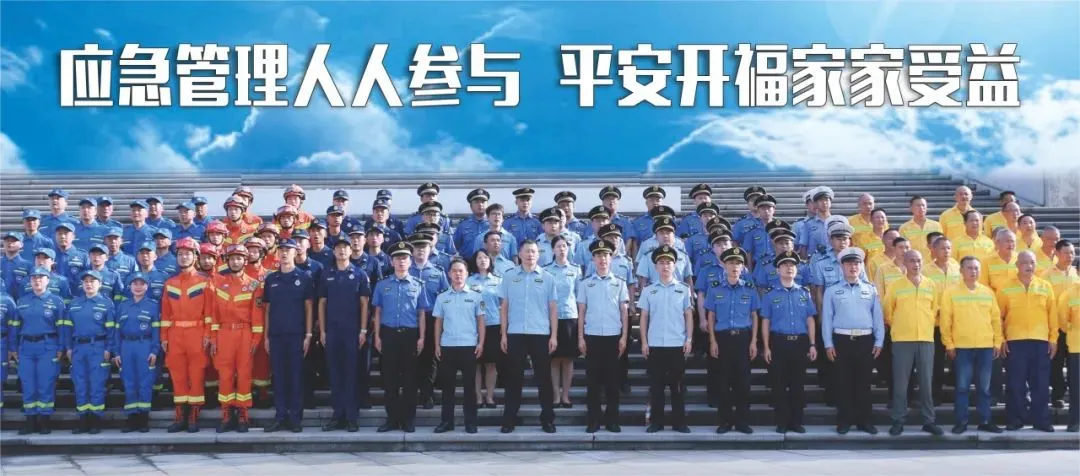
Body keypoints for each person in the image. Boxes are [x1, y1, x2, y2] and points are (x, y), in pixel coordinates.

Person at [822, 247, 884, 435]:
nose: (853, 267)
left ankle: (865, 421)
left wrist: (879, 341)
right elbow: (827, 319)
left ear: (861, 266)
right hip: (842, 340)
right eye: (848, 263)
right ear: (842, 266)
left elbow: (877, 317)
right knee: (843, 383)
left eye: (856, 263)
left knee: (864, 384)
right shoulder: (832, 290)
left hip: (865, 340)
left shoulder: (870, 289)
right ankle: (844, 421)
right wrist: (828, 343)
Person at [499, 239, 559, 434]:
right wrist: (503, 334)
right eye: (526, 251)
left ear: (538, 254)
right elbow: (504, 307)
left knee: (544, 378)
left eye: (533, 251)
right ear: (520, 253)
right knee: (513, 378)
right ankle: (509, 418)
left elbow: (553, 309)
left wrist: (554, 336)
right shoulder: (509, 276)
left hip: (540, 333)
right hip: (515, 333)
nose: (530, 255)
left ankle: (547, 419)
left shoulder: (548, 278)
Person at [939, 256, 1004, 434]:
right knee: (962, 387)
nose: (973, 271)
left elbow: (995, 319)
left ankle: (985, 420)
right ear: (961, 271)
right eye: (969, 268)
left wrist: (997, 342)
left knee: (984, 388)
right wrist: (949, 344)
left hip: (985, 347)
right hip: (962, 347)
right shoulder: (951, 293)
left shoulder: (987, 292)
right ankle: (961, 422)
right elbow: (945, 321)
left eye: (976, 268)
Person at [883, 250, 944, 436]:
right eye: (911, 261)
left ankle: (929, 420)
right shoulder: (895, 285)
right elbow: (888, 311)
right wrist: (900, 325)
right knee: (901, 383)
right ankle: (898, 419)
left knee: (926, 382)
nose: (915, 264)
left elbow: (935, 309)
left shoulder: (931, 285)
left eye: (918, 260)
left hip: (925, 339)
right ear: (904, 262)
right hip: (902, 340)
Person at [997, 251, 1057, 432]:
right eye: (1024, 263)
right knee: (1015, 383)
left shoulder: (1045, 286)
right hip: (1015, 341)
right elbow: (998, 316)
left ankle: (1041, 420)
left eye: (1032, 262)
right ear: (1017, 265)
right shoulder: (1005, 287)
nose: (1029, 266)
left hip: (1040, 341)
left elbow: (1052, 315)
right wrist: (1001, 339)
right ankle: (1015, 419)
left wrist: (1053, 339)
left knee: (1041, 383)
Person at [209, 244, 265, 433]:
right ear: (227, 261)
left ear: (245, 260)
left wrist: (255, 339)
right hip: (224, 334)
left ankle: (242, 413)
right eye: (232, 258)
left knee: (244, 374)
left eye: (239, 258)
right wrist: (213, 337)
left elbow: (257, 316)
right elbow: (214, 314)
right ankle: (226, 413)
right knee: (224, 374)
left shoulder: (254, 285)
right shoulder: (219, 284)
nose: (235, 262)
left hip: (244, 334)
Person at [373, 241, 428, 433]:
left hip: (409, 336)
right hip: (388, 335)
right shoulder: (382, 285)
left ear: (410, 261)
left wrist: (422, 337)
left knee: (410, 381)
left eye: (404, 258)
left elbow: (421, 313)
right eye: (397, 258)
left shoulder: (418, 285)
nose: (401, 261)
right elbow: (378, 312)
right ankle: (392, 420)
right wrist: (377, 336)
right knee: (390, 381)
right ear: (391, 261)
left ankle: (408, 420)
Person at [639, 245, 694, 434]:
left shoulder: (683, 289)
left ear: (674, 265)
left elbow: (688, 315)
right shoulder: (648, 290)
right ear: (656, 267)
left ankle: (679, 423)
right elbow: (644, 317)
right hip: (655, 345)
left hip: (677, 344)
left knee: (677, 387)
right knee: (656, 387)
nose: (665, 266)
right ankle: (657, 422)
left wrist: (689, 339)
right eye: (661, 262)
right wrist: (644, 342)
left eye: (668, 262)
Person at [577, 239, 630, 433]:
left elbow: (624, 312)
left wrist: (624, 337)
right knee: (593, 383)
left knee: (612, 382)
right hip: (592, 337)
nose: (602, 259)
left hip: (613, 337)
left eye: (606, 255)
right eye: (598, 255)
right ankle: (594, 420)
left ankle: (612, 420)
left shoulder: (619, 283)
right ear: (593, 259)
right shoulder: (585, 284)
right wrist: (580, 338)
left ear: (611, 258)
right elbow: (582, 312)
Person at [760, 251, 817, 434]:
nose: (789, 268)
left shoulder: (804, 293)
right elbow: (765, 321)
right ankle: (782, 422)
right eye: (784, 265)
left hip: (800, 343)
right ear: (778, 270)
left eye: (792, 265)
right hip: (779, 342)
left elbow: (810, 320)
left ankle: (797, 421)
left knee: (797, 384)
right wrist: (766, 346)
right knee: (779, 384)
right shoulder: (770, 295)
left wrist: (812, 344)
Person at [318, 239, 371, 432]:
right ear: (333, 252)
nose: (342, 251)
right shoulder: (327, 274)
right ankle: (337, 415)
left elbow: (365, 303)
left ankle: (351, 417)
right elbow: (321, 303)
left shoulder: (359, 274)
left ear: (350, 251)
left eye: (345, 248)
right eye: (338, 248)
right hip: (332, 331)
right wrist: (322, 331)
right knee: (335, 374)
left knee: (351, 374)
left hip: (352, 332)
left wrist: (363, 330)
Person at [704, 247, 758, 434]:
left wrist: (753, 341)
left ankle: (742, 422)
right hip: (722, 339)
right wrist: (712, 341)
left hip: (743, 338)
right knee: (723, 382)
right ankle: (725, 422)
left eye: (738, 263)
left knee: (743, 383)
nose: (735, 267)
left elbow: (754, 316)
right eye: (731, 263)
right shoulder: (715, 289)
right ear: (724, 265)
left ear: (743, 267)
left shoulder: (749, 289)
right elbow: (711, 316)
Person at [161, 238, 212, 433]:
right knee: (178, 375)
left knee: (196, 375)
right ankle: (180, 415)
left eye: (188, 254)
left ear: (195, 257)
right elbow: (165, 314)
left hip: (197, 334)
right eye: (180, 254)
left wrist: (207, 334)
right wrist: (164, 337)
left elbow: (209, 312)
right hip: (175, 336)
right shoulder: (170, 283)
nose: (183, 257)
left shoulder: (205, 282)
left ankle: (193, 416)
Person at [263, 240, 315, 433]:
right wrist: (266, 336)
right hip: (276, 335)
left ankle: (295, 418)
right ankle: (280, 416)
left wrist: (308, 335)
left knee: (295, 377)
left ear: (295, 252)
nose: (284, 253)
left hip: (296, 335)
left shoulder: (304, 277)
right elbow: (267, 310)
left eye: (288, 250)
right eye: (282, 250)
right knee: (278, 377)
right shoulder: (271, 279)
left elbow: (309, 308)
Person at [11, 267, 67, 435]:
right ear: (30, 281)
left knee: (46, 383)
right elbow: (15, 327)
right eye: (34, 278)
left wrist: (61, 347)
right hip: (26, 347)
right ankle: (30, 421)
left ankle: (44, 421)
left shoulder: (57, 302)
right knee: (28, 384)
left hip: (48, 346)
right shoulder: (22, 301)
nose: (37, 280)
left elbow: (62, 328)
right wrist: (13, 348)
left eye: (41, 277)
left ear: (48, 280)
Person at [432, 258, 485, 434]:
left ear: (467, 274)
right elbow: (438, 322)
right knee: (448, 387)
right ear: (449, 274)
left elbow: (481, 321)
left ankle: (471, 422)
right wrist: (437, 344)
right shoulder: (442, 297)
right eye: (454, 271)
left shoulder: (476, 296)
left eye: (461, 271)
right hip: (448, 346)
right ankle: (447, 421)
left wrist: (481, 343)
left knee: (470, 388)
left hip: (469, 346)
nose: (457, 274)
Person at [66, 269, 117, 435]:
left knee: (97, 384)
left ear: (100, 284)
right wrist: (68, 348)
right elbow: (67, 329)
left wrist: (109, 349)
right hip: (79, 348)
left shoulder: (107, 304)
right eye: (86, 281)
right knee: (80, 384)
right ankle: (83, 420)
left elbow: (112, 331)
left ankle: (95, 420)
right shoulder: (74, 304)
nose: (88, 284)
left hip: (98, 347)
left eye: (92, 281)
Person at [114, 272, 160, 433]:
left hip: (144, 345)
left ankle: (143, 420)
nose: (138, 287)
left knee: (145, 383)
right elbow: (117, 331)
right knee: (129, 383)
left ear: (147, 287)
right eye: (135, 284)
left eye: (142, 284)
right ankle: (131, 419)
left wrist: (155, 351)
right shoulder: (122, 306)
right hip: (126, 346)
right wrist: (116, 352)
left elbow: (156, 331)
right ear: (130, 286)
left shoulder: (153, 306)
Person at [544, 234, 580, 408]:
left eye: (564, 246)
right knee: (554, 359)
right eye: (558, 246)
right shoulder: (545, 270)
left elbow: (579, 296)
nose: (562, 249)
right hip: (551, 318)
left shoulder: (576, 270)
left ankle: (565, 395)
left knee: (568, 359)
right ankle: (556, 396)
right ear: (553, 250)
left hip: (570, 317)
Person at [468, 249, 503, 408]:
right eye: (479, 258)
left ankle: (489, 396)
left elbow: (503, 305)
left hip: (493, 325)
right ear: (475, 261)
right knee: (475, 364)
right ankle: (477, 397)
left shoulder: (498, 280)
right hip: (473, 326)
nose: (483, 260)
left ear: (490, 261)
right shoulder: (469, 281)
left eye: (485, 258)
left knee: (491, 364)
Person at [1058, 278, 1080, 432]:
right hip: (1077, 346)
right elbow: (1062, 321)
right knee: (1076, 387)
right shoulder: (1069, 294)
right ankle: (1075, 421)